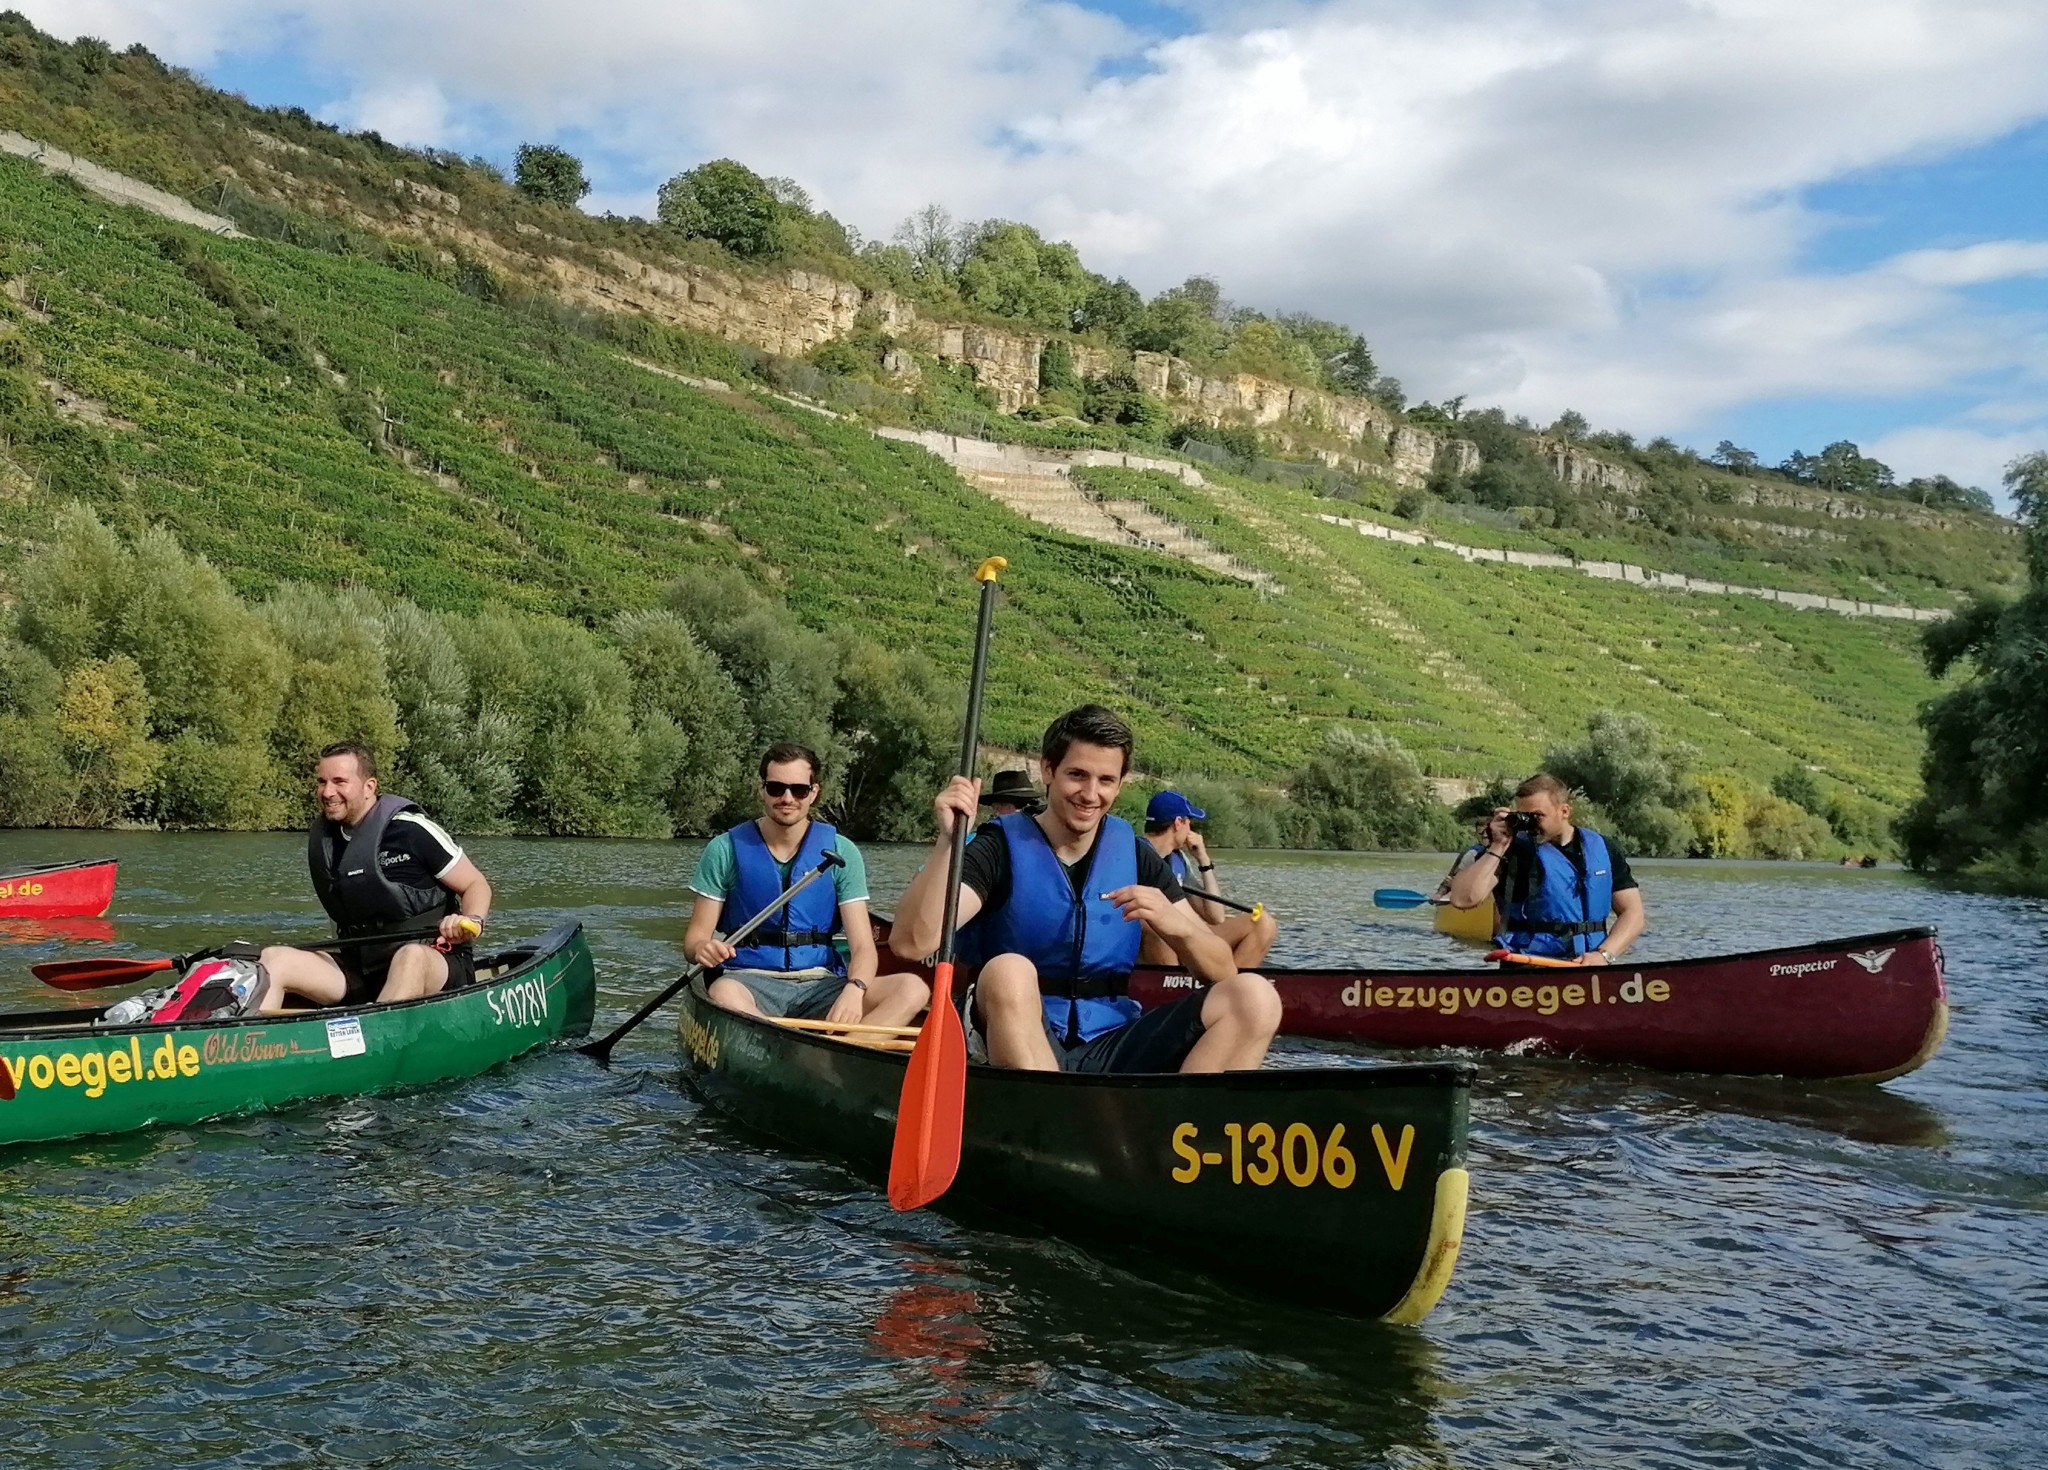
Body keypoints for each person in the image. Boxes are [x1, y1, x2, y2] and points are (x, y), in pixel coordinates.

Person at [891, 705, 1280, 1073]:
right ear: (1047, 770)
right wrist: (948, 842)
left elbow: (1222, 971)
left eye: (1106, 780)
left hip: (1112, 1037)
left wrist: (1178, 926)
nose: (1091, 794)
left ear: (1120, 784)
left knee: (1254, 997)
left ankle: (1176, 1131)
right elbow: (912, 944)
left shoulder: (1135, 854)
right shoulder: (997, 849)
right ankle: (1047, 1120)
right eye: (1077, 775)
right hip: (1017, 1032)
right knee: (1009, 970)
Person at [686, 742, 928, 1027]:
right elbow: (694, 941)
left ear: (814, 792)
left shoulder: (842, 852)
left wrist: (855, 988)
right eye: (776, 788)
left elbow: (863, 947)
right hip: (748, 980)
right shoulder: (724, 849)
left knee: (913, 988)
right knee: (723, 991)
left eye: (799, 789)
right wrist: (703, 947)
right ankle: (781, 1049)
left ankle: (837, 1059)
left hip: (821, 982)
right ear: (761, 789)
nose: (787, 798)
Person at [260, 742, 492, 1012]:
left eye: (339, 782)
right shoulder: (325, 839)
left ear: (369, 786)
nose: (327, 792)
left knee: (410, 958)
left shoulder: (411, 830)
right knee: (273, 959)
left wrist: (470, 920)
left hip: (434, 959)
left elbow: (477, 884)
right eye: (322, 782)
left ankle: (376, 1040)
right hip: (360, 967)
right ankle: (258, 1044)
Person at [1445, 773, 1646, 965]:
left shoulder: (1603, 848)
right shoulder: (1513, 852)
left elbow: (1632, 913)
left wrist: (1603, 954)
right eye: (1525, 817)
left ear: (1564, 811)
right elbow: (1463, 899)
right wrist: (1498, 845)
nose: (1531, 824)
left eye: (1538, 816)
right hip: (1528, 969)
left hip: (1588, 967)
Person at [1138, 790, 1277, 967]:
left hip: (1182, 939)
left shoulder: (1178, 860)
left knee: (1263, 923)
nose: (1192, 829)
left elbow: (1215, 916)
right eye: (1190, 822)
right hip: (1149, 943)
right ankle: (1171, 987)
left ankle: (1225, 987)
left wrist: (1203, 861)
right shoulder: (1135, 853)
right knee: (1156, 923)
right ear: (1178, 823)